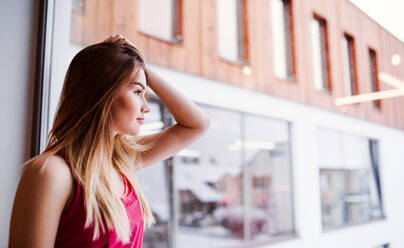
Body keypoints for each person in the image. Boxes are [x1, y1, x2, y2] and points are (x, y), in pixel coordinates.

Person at [8, 34, 210, 247]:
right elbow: (195, 125)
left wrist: (143, 69)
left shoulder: (121, 160)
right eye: (138, 91)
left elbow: (197, 124)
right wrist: (138, 68)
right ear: (104, 91)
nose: (146, 106)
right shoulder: (52, 172)